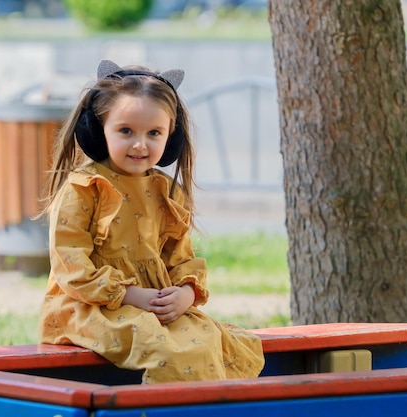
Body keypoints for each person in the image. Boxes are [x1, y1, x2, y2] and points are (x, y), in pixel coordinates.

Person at [38, 60, 265, 384]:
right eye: (126, 131)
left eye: (154, 133)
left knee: (212, 341)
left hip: (155, 305)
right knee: (170, 350)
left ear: (171, 136)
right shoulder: (85, 187)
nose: (140, 144)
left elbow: (180, 257)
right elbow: (70, 265)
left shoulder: (166, 191)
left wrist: (185, 293)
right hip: (89, 307)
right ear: (99, 129)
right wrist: (132, 295)